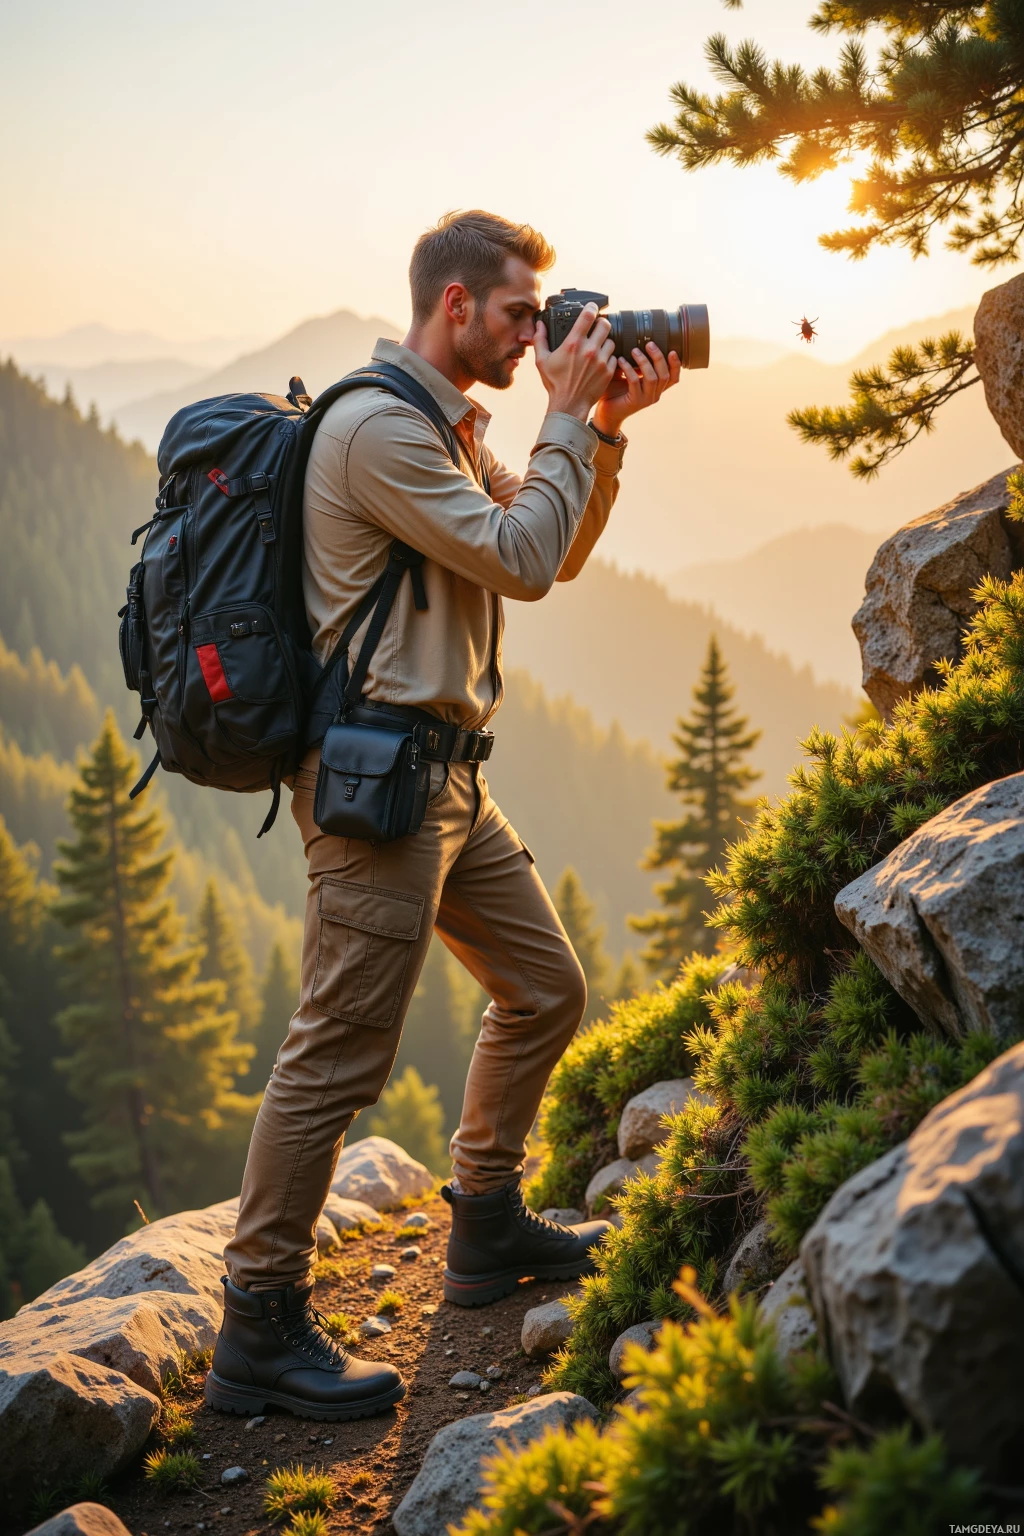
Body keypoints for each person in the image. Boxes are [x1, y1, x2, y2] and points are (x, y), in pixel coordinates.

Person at [207, 210, 681, 1422]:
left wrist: (603, 431)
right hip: (379, 791)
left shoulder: (447, 424)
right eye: (522, 314)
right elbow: (522, 559)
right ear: (454, 308)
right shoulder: (376, 430)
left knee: (545, 988)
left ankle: (481, 1224)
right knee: (334, 1058)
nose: (539, 333)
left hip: (450, 782)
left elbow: (553, 549)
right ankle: (256, 1326)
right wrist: (568, 419)